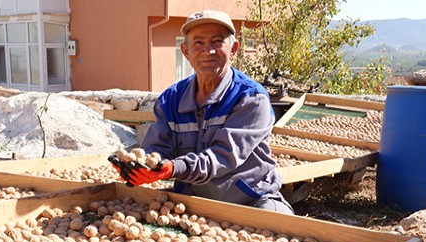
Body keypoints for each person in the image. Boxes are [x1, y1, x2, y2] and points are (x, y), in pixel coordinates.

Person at [116, 9, 293, 214]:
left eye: (217, 41)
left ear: (234, 48)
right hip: (190, 202)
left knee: (280, 224)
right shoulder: (170, 99)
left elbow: (223, 156)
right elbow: (158, 148)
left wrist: (173, 168)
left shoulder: (251, 98)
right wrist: (141, 165)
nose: (207, 50)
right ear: (185, 51)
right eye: (198, 43)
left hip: (250, 201)